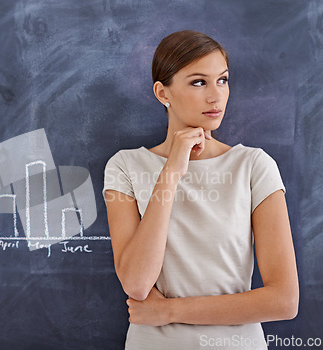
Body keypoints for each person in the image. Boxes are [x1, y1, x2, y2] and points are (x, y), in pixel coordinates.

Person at [102, 30, 299, 349]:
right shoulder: (125, 166)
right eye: (198, 82)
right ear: (162, 93)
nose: (216, 96)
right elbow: (137, 284)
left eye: (222, 80)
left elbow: (283, 301)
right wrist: (171, 172)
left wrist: (167, 311)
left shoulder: (252, 165)